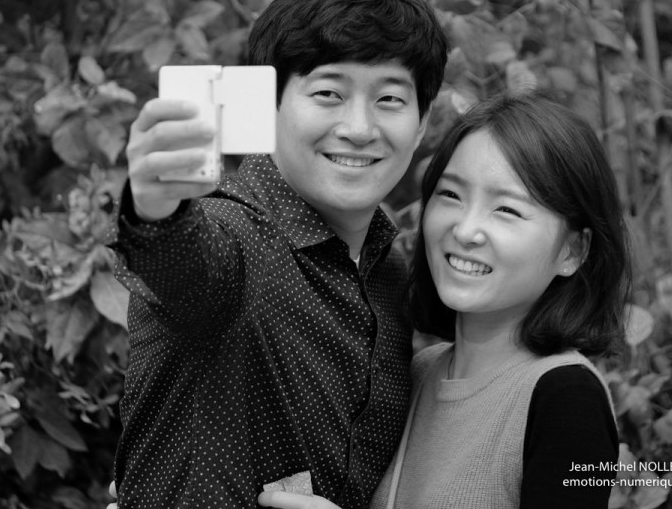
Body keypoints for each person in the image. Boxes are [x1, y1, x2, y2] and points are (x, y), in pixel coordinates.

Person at [107, 0, 450, 509]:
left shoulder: (389, 272)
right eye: (328, 92)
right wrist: (155, 209)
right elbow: (185, 265)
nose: (359, 128)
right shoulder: (236, 235)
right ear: (269, 104)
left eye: (389, 99)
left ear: (422, 122)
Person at [258, 91, 630, 509]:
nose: (466, 230)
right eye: (451, 195)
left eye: (507, 210)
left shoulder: (568, 398)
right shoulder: (420, 372)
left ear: (573, 251)